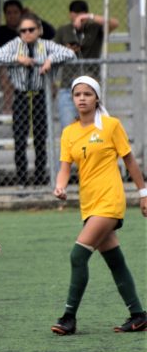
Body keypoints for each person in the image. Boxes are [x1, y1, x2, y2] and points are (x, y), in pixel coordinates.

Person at [51, 76, 147, 335]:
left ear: (97, 98)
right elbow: (64, 167)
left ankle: (68, 318)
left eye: (87, 94)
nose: (82, 98)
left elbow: (130, 161)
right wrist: (60, 186)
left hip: (109, 200)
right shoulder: (69, 132)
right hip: (89, 203)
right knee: (115, 260)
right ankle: (138, 315)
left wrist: (143, 193)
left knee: (78, 255)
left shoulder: (111, 125)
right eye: (77, 94)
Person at [0, 13, 76, 186]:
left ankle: (40, 179)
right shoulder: (15, 45)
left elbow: (69, 54)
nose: (27, 33)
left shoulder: (46, 45)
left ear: (39, 30)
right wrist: (17, 58)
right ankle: (22, 181)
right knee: (19, 139)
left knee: (40, 139)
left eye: (31, 30)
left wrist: (50, 60)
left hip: (40, 96)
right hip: (21, 96)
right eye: (23, 30)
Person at [54, 0, 119, 129]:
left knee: (93, 128)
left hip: (91, 86)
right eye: (75, 16)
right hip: (68, 87)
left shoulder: (94, 28)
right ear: (70, 15)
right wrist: (67, 50)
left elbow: (114, 23)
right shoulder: (64, 30)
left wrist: (90, 17)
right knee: (69, 128)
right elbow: (51, 51)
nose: (78, 19)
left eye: (81, 16)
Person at [0, 0, 56, 113]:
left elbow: (51, 32)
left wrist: (33, 17)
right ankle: (8, 109)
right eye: (9, 13)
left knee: (48, 74)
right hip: (9, 68)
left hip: (32, 65)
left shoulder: (29, 30)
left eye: (16, 12)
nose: (12, 16)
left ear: (21, 13)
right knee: (6, 73)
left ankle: (44, 108)